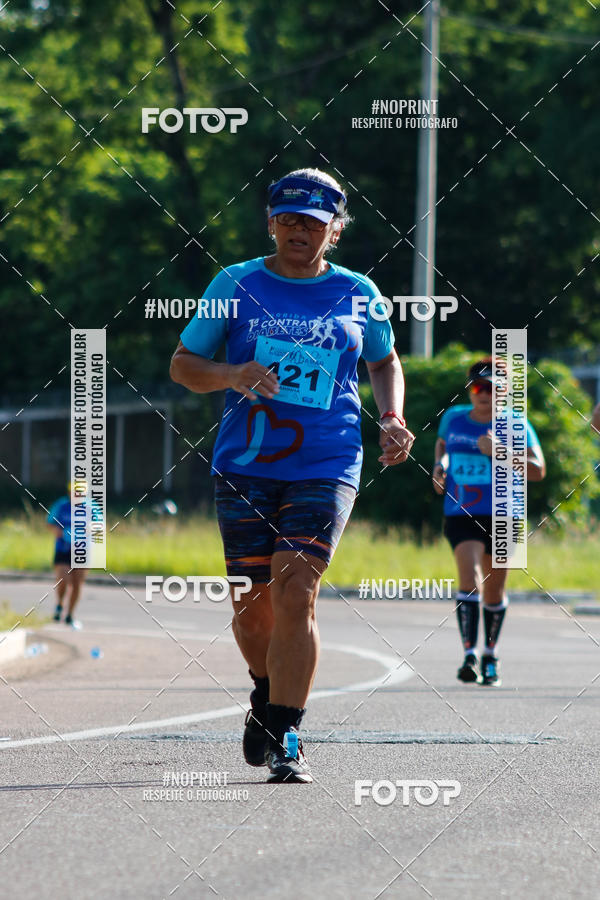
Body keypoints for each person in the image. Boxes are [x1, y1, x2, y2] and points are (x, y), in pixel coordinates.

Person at [170, 168, 415, 783]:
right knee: (252, 607)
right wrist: (230, 375)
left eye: (312, 221)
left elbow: (385, 361)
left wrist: (391, 415)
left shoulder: (360, 291)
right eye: (287, 219)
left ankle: (287, 732)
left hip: (327, 462)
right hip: (245, 464)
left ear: (335, 229)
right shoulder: (235, 284)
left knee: (296, 587)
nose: (298, 230)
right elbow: (182, 364)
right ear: (270, 223)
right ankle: (264, 692)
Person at [432, 358, 546, 686]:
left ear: (505, 392)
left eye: (494, 388)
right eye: (479, 387)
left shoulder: (517, 425)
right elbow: (443, 449)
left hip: (504, 513)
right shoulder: (453, 419)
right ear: (470, 390)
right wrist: (439, 469)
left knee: (494, 592)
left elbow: (538, 470)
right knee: (469, 575)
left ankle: (490, 654)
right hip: (462, 511)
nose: (485, 394)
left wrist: (501, 453)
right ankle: (468, 654)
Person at [47, 484, 88, 628]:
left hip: (82, 550)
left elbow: (99, 526)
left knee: (77, 583)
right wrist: (60, 532)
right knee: (63, 579)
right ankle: (59, 604)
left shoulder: (90, 507)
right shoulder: (61, 505)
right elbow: (50, 524)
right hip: (63, 548)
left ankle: (70, 614)